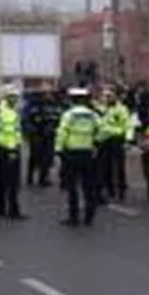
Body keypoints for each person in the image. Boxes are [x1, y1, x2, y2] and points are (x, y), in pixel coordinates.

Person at [56, 87, 105, 226]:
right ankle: (89, 216)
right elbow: (102, 130)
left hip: (72, 153)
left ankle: (74, 217)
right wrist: (95, 143)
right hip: (88, 153)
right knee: (88, 186)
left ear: (72, 100)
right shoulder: (92, 114)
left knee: (72, 187)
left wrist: (59, 149)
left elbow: (62, 132)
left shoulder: (69, 115)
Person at [0, 84, 26, 219]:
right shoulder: (8, 112)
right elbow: (10, 132)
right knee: (12, 181)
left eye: (16, 97)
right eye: (13, 97)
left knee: (1, 179)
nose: (15, 99)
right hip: (9, 148)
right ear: (7, 97)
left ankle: (0, 209)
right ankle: (13, 210)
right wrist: (13, 150)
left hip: (2, 148)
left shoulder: (2, 109)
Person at [96, 87, 135, 203]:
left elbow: (128, 124)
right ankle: (109, 189)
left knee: (119, 166)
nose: (107, 98)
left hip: (117, 139)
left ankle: (121, 189)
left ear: (115, 97)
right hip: (104, 139)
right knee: (105, 166)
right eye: (105, 96)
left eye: (110, 96)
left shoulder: (122, 109)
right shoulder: (101, 109)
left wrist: (128, 139)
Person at [22, 87, 55, 188]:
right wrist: (30, 130)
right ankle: (31, 177)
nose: (46, 96)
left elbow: (52, 118)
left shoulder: (49, 106)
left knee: (45, 157)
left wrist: (51, 128)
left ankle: (42, 178)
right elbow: (25, 120)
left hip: (46, 135)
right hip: (36, 134)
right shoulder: (30, 106)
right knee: (35, 156)